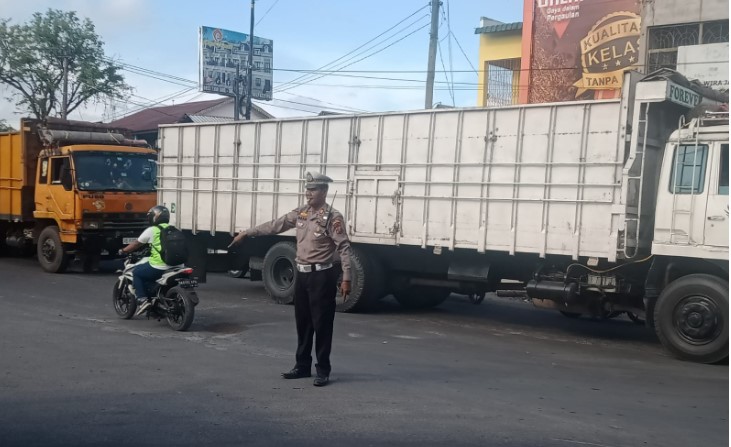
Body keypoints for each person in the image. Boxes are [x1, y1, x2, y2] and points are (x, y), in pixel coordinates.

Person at [229, 172, 352, 387]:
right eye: (307, 189)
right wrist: (248, 233)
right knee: (303, 323)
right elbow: (275, 225)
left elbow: (343, 247)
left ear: (323, 191)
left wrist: (347, 277)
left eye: (313, 190)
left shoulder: (333, 217)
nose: (308, 193)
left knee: (322, 324)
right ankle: (302, 366)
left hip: (322, 275)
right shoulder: (302, 213)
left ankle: (323, 369)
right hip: (302, 275)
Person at [119, 205, 177, 317]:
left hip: (161, 266)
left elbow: (136, 244)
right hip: (177, 265)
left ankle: (143, 300)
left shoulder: (152, 230)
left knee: (137, 272)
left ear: (154, 217)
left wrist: (123, 250)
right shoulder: (174, 228)